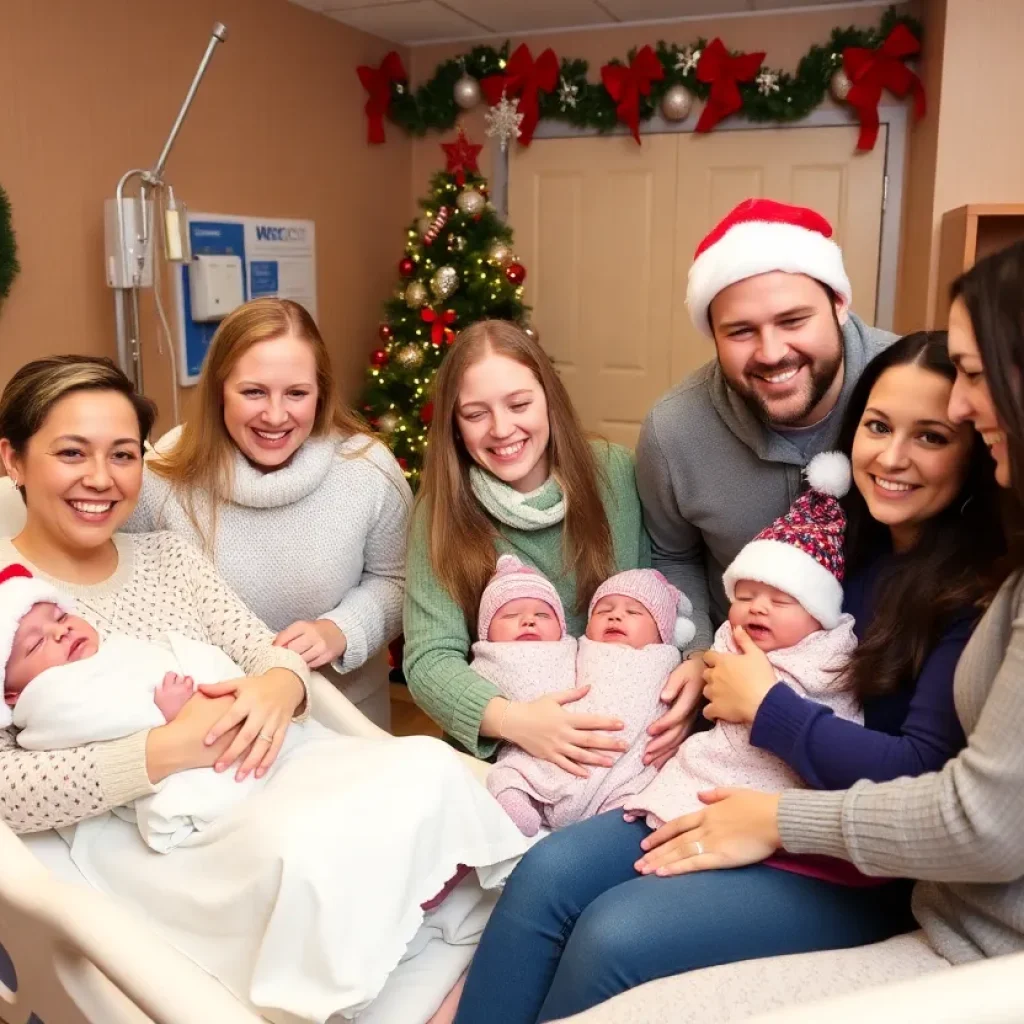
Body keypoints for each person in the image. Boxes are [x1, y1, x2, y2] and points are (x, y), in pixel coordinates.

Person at [451, 330, 1004, 1024]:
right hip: (728, 789)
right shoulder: (830, 541)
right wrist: (704, 668)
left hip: (850, 858)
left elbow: (922, 775)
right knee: (548, 873)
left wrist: (767, 708)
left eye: (930, 437)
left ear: (978, 448)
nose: (892, 457)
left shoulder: (974, 597)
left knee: (615, 934)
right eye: (877, 426)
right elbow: (738, 638)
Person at [0, 355, 529, 1024]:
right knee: (309, 852)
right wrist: (166, 751)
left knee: (424, 766)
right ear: (13, 460)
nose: (101, 479)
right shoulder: (5, 607)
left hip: (261, 761)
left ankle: (444, 956)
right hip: (159, 828)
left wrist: (280, 686)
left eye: (123, 454)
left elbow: (262, 650)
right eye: (71, 453)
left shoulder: (167, 557)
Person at [404, 319, 697, 777]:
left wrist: (683, 680)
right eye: (476, 413)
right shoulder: (440, 512)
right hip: (504, 755)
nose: (502, 429)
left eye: (519, 404)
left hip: (620, 744)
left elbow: (659, 598)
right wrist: (515, 722)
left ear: (549, 400)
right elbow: (429, 660)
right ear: (454, 426)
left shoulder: (613, 475)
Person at [636, 197, 895, 705]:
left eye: (794, 320)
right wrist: (695, 655)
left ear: (840, 304)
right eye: (740, 331)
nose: (772, 352)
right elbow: (673, 553)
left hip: (892, 693)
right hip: (730, 692)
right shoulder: (673, 432)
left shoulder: (915, 385)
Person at [124, 298, 409, 730]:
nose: (275, 415)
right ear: (220, 389)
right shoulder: (164, 474)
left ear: (321, 392)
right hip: (211, 727)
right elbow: (124, 593)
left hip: (345, 722)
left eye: (297, 393)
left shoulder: (368, 470)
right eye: (253, 391)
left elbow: (402, 580)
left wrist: (342, 629)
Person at [624, 452, 861, 830]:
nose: (758, 609)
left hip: (779, 788)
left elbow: (842, 726)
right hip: (710, 764)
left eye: (780, 600)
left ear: (819, 616)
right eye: (745, 597)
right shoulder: (730, 638)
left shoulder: (831, 654)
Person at [476, 560, 692, 836]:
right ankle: (516, 800)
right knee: (512, 770)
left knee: (647, 793)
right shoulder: (575, 652)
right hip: (551, 752)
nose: (615, 617)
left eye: (634, 612)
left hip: (622, 775)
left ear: (663, 632)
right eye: (604, 610)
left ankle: (604, 829)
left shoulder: (665, 660)